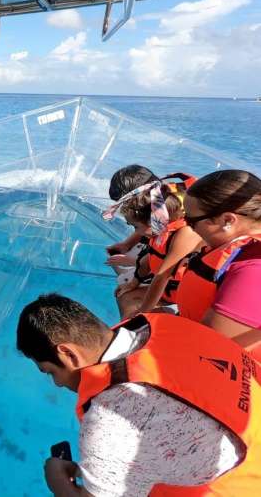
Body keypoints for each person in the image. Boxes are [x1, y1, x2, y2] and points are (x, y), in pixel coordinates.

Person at [16, 293, 261, 497]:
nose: (57, 384)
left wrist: (57, 479)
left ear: (68, 354)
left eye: (50, 372)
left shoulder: (110, 419)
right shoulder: (170, 325)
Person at [176, 169, 261, 359]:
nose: (187, 227)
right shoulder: (235, 249)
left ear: (227, 220)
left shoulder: (254, 271)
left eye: (191, 221)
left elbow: (208, 352)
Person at [110, 181, 202, 318]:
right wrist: (133, 284)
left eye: (136, 227)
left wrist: (143, 312)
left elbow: (162, 276)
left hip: (186, 301)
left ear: (153, 222)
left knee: (134, 317)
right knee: (124, 295)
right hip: (168, 292)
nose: (137, 232)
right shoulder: (160, 232)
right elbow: (147, 261)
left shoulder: (185, 234)